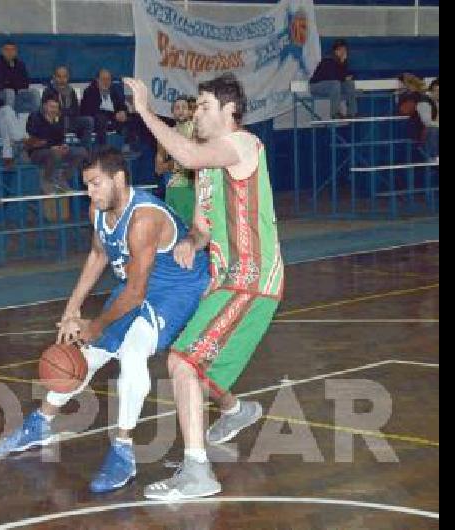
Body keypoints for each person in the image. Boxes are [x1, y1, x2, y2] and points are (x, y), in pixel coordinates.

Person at [0, 147, 211, 494]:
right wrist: (71, 310)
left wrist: (94, 326)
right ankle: (40, 423)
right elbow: (98, 255)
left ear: (119, 179)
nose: (89, 192)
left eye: (95, 184)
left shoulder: (144, 219)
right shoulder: (99, 209)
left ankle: (123, 450)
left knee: (133, 352)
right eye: (87, 185)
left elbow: (137, 293)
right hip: (140, 283)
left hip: (176, 288)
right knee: (87, 354)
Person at [125, 73, 284, 500]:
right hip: (223, 279)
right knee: (197, 365)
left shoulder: (243, 144)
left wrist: (144, 110)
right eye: (195, 106)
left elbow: (188, 154)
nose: (197, 113)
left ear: (230, 111)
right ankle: (236, 409)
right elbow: (202, 226)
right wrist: (191, 244)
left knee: (182, 362)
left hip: (251, 278)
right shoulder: (210, 172)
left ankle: (198, 472)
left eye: (205, 106)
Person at [25, 96, 88, 193]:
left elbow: (60, 138)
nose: (54, 110)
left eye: (56, 107)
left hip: (55, 150)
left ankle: (63, 178)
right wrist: (51, 147)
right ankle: (47, 180)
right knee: (55, 153)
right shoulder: (34, 118)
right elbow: (34, 140)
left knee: (82, 152)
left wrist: (63, 145)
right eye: (51, 107)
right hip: (37, 152)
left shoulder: (59, 119)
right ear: (44, 106)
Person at [155, 95, 197, 224]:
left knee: (197, 233)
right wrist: (175, 164)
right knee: (178, 231)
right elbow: (158, 169)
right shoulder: (166, 135)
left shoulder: (198, 131)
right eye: (177, 108)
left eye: (184, 107)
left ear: (190, 111)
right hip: (176, 188)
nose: (181, 110)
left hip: (197, 187)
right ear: (172, 112)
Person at [42, 66, 94, 151]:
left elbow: (76, 110)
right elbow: (46, 111)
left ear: (68, 78)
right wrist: (62, 112)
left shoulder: (71, 91)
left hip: (71, 121)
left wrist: (61, 111)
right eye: (59, 76)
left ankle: (85, 151)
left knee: (88, 121)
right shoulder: (48, 91)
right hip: (56, 122)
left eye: (64, 77)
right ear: (54, 77)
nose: (62, 80)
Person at [0, 41, 40, 114]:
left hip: (17, 91)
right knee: (10, 92)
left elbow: (25, 83)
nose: (9, 52)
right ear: (2, 51)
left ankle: (36, 117)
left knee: (34, 92)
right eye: (7, 50)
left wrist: (11, 82)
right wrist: (13, 83)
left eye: (12, 50)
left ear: (16, 52)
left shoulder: (20, 64)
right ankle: (10, 117)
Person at [81, 69, 133, 146]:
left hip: (114, 117)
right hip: (97, 118)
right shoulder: (89, 91)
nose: (106, 82)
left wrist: (123, 112)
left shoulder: (115, 90)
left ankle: (131, 145)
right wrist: (114, 115)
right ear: (97, 80)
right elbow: (91, 110)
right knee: (101, 119)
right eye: (103, 79)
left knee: (134, 117)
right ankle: (103, 147)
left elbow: (122, 105)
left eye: (108, 79)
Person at [308, 39, 357, 119]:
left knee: (350, 84)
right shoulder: (328, 60)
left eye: (344, 50)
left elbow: (345, 77)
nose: (342, 52)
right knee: (335, 84)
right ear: (335, 51)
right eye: (340, 50)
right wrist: (344, 74)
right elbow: (333, 77)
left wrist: (344, 68)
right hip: (316, 86)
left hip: (332, 87)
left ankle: (352, 113)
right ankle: (335, 113)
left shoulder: (343, 62)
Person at [416, 78, 439, 161]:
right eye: (437, 91)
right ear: (433, 90)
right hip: (422, 133)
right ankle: (434, 156)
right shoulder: (424, 102)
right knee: (433, 129)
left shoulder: (437, 101)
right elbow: (427, 122)